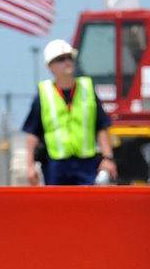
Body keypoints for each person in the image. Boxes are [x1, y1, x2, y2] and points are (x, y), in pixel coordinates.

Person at [22, 39, 118, 186]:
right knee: (57, 207)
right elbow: (32, 133)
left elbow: (101, 126)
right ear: (50, 66)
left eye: (69, 57)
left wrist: (108, 158)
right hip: (55, 164)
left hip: (86, 163)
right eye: (61, 59)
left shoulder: (87, 89)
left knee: (88, 206)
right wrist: (30, 166)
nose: (67, 62)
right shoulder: (44, 94)